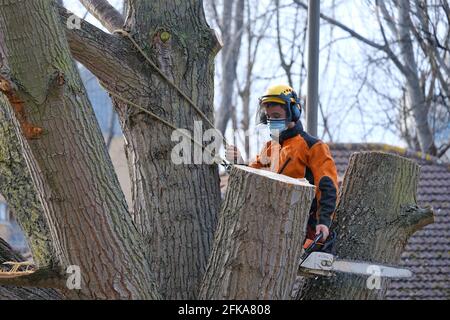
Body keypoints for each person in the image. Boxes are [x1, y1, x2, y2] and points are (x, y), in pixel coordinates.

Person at [225, 84, 338, 246]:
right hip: (270, 224)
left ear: (293, 112)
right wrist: (238, 162)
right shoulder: (270, 148)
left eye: (276, 115)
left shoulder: (313, 146)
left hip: (304, 225)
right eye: (269, 116)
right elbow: (253, 177)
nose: (272, 120)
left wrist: (324, 221)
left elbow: (327, 186)